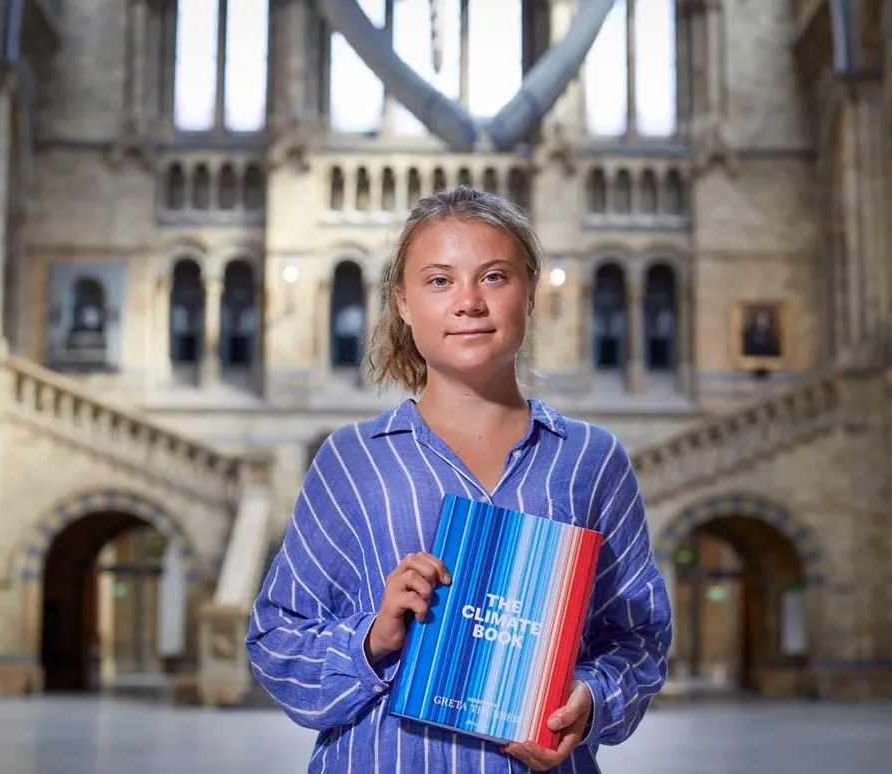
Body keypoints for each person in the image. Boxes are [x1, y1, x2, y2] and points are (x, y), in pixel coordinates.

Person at [246, 186, 672, 773]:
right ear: (402, 301)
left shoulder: (593, 461)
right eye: (440, 280)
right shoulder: (351, 460)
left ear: (531, 291)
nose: (468, 302)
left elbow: (640, 638)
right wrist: (373, 640)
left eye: (494, 277)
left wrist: (593, 700)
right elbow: (275, 639)